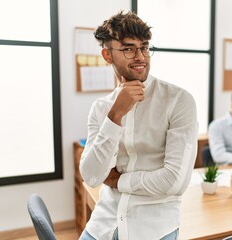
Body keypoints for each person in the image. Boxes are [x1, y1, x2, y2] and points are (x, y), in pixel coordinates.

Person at [79, 10, 198, 240]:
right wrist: (115, 115)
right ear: (107, 55)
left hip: (154, 228)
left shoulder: (179, 101)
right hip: (103, 224)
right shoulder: (101, 108)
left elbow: (174, 182)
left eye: (144, 47)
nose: (140, 56)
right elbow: (92, 177)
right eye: (128, 49)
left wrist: (117, 180)